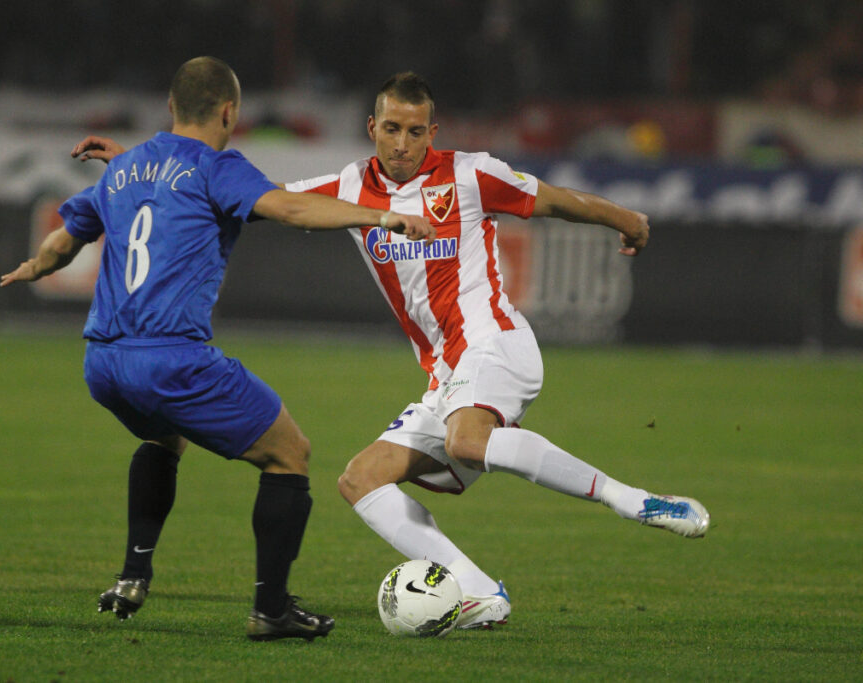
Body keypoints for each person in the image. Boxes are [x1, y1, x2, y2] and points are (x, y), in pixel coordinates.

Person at [73, 71, 710, 633]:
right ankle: (479, 591)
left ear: (433, 131)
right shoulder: (348, 184)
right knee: (360, 479)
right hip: (444, 373)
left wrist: (624, 217)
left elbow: (554, 201)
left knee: (467, 441)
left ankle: (633, 499)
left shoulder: (469, 173)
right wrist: (139, 160)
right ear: (371, 126)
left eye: (415, 131)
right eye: (391, 129)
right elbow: (247, 193)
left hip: (495, 342)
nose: (402, 144)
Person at [0, 57, 435, 642]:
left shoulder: (124, 167)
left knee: (164, 435)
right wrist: (383, 215)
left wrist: (34, 266)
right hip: (171, 357)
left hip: (102, 361)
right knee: (290, 455)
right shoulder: (216, 166)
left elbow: (64, 238)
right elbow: (289, 208)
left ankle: (133, 577)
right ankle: (271, 610)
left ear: (172, 108)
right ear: (230, 112)